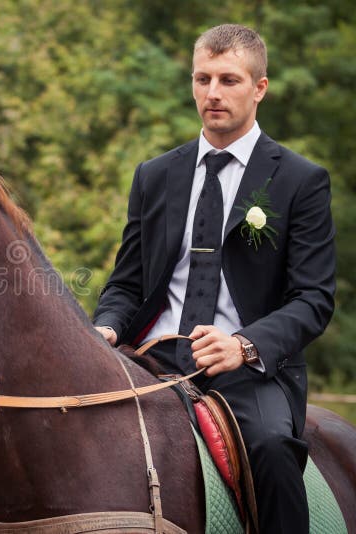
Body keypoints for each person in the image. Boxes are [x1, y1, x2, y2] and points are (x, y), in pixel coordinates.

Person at [93, 24, 335, 534]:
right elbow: (127, 283)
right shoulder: (155, 175)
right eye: (202, 79)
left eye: (228, 80)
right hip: (151, 357)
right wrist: (107, 327)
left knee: (272, 448)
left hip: (249, 370)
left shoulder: (300, 180)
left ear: (259, 88)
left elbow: (313, 299)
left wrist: (243, 346)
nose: (213, 93)